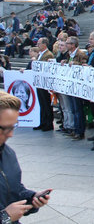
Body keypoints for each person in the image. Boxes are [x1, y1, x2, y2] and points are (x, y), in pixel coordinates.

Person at [0, 92, 52, 224]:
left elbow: (14, 189)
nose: (11, 134)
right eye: (5, 129)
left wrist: (31, 198)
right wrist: (5, 217)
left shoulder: (8, 153)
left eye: (13, 126)